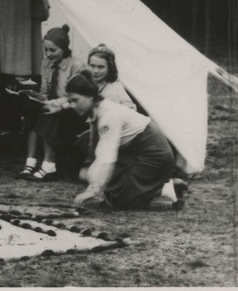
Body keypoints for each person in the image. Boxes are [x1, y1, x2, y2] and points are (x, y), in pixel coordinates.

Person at [65, 70, 186, 209]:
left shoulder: (108, 114)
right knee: (112, 197)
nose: (73, 106)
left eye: (75, 100)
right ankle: (149, 188)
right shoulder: (96, 110)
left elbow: (106, 155)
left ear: (90, 97)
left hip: (155, 155)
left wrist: (92, 189)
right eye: (70, 101)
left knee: (123, 203)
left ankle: (166, 188)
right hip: (136, 152)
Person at [18, 24, 86, 181]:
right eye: (46, 50)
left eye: (52, 50)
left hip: (71, 109)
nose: (48, 54)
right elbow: (45, 90)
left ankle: (49, 165)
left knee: (49, 114)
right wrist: (39, 98)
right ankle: (30, 162)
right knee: (33, 112)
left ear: (64, 48)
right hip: (54, 105)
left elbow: (76, 95)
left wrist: (55, 103)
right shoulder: (45, 63)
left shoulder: (76, 65)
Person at [86, 43, 136, 110]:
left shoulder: (116, 87)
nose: (95, 71)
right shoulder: (83, 82)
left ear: (109, 68)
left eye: (100, 67)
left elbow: (131, 109)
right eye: (92, 66)